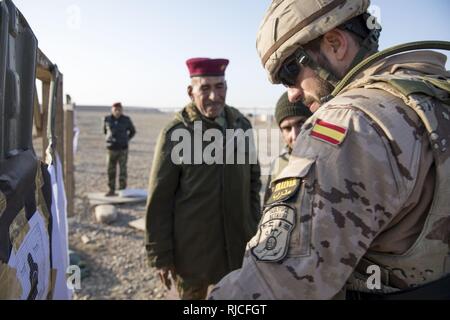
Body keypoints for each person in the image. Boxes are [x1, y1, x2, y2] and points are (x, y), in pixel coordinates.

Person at [209, 0, 450, 300]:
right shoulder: (433, 93)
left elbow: (273, 285)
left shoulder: (350, 123)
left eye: (289, 72)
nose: (293, 93)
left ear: (335, 43)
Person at [145, 58, 262, 300]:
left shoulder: (241, 126)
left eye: (219, 87)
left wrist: (253, 228)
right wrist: (161, 256)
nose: (213, 96)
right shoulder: (177, 133)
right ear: (191, 92)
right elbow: (159, 200)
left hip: (237, 250)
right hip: (192, 256)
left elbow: (253, 181)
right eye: (205, 88)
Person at [263, 92, 312, 203]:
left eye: (300, 124)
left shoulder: (330, 160)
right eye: (287, 128)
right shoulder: (278, 164)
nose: (295, 135)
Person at [103, 102, 136, 196]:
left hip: (123, 149)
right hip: (111, 149)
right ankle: (111, 189)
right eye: (115, 110)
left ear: (121, 110)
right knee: (110, 170)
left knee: (123, 171)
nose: (117, 112)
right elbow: (105, 131)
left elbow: (132, 131)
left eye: (119, 110)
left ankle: (122, 191)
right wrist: (109, 140)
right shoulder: (107, 119)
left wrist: (126, 139)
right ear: (112, 110)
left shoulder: (126, 120)